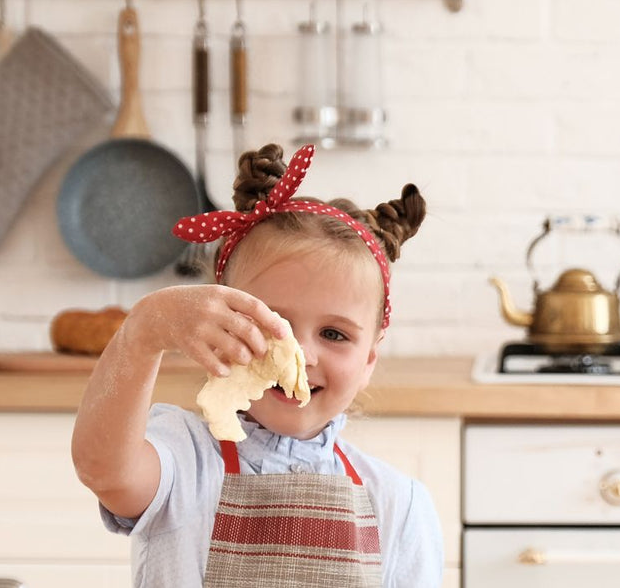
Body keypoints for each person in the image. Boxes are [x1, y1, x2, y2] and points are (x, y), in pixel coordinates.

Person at [71, 143, 443, 587]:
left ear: (368, 362)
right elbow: (103, 469)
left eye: (334, 334)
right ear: (219, 322)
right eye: (272, 322)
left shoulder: (398, 506)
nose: (301, 354)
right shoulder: (183, 458)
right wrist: (143, 332)